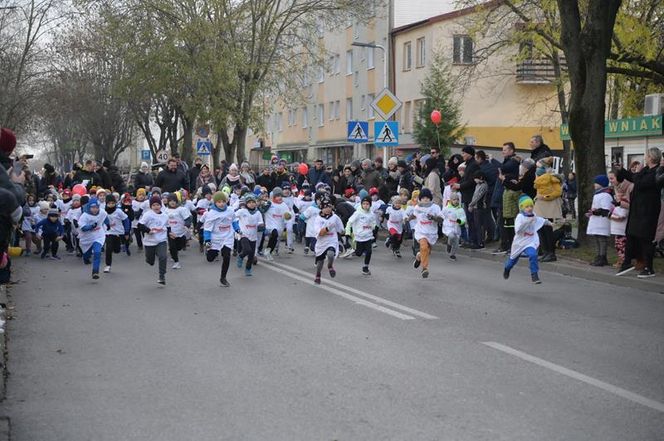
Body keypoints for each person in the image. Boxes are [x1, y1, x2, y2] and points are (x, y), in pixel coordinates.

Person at [616, 147, 664, 278]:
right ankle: (627, 262)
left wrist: (637, 172)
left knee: (646, 238)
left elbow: (642, 183)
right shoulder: (646, 170)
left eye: (646, 155)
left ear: (651, 157)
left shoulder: (657, 171)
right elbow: (633, 178)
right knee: (631, 234)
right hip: (637, 209)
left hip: (648, 209)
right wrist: (622, 170)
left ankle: (649, 267)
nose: (645, 157)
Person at [503, 195, 551, 284]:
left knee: (533, 255)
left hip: (530, 240)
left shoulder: (534, 215)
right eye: (527, 207)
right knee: (512, 261)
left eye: (531, 206)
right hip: (520, 242)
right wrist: (527, 222)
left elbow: (540, 220)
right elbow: (518, 230)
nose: (529, 208)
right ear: (522, 208)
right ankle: (507, 268)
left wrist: (549, 223)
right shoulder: (519, 217)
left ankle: (534, 275)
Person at [407, 188, 443, 278]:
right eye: (423, 198)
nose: (425, 199)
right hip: (421, 231)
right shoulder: (418, 207)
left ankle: (419, 257)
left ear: (430, 198)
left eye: (427, 197)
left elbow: (441, 219)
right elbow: (414, 215)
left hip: (431, 233)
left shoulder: (435, 207)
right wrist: (408, 219)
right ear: (420, 199)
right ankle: (424, 268)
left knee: (426, 251)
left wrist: (433, 218)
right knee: (423, 247)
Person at [533, 157, 563, 262]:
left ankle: (551, 252)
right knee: (541, 229)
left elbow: (557, 192)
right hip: (540, 206)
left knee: (547, 230)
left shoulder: (553, 178)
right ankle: (546, 251)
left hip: (549, 207)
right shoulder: (539, 179)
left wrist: (545, 197)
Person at [203, 191, 235, 287]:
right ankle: (210, 251)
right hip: (215, 238)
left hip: (227, 237)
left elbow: (234, 221)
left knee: (226, 255)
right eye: (219, 202)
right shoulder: (211, 213)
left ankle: (223, 278)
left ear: (226, 201)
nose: (221, 204)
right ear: (215, 203)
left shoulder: (230, 210)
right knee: (210, 259)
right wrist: (207, 241)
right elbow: (207, 229)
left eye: (223, 201)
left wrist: (238, 229)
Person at [137, 195, 169, 285]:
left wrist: (170, 233)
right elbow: (140, 225)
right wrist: (148, 230)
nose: (156, 207)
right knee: (150, 261)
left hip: (161, 240)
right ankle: (149, 259)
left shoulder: (165, 216)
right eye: (154, 205)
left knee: (163, 256)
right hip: (150, 241)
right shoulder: (148, 214)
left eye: (158, 205)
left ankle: (162, 276)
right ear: (151, 206)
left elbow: (168, 226)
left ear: (161, 205)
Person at [313, 194, 344, 284]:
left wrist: (343, 231)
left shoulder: (335, 217)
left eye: (329, 207)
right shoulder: (318, 219)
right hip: (321, 242)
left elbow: (341, 230)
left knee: (331, 254)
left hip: (332, 240)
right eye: (325, 207)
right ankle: (318, 275)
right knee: (320, 262)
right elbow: (320, 233)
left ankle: (330, 266)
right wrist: (327, 228)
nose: (328, 209)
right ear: (321, 208)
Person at [453, 146, 480, 246]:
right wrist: (457, 184)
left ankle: (475, 241)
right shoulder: (468, 165)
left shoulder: (473, 165)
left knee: (472, 220)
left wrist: (460, 185)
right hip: (466, 195)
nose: (462, 155)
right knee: (469, 219)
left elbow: (472, 181)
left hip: (471, 195)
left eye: (464, 153)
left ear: (469, 154)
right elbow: (465, 179)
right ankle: (470, 240)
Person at [78, 197, 109, 280]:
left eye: (96, 207)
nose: (95, 209)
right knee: (86, 254)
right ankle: (85, 258)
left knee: (97, 252)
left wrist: (108, 224)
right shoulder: (84, 216)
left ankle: (95, 271)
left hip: (98, 235)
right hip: (87, 238)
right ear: (89, 207)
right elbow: (83, 228)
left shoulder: (102, 212)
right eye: (92, 207)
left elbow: (105, 217)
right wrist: (91, 226)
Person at [233, 193, 264, 276]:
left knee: (251, 255)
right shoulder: (242, 211)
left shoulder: (258, 213)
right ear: (246, 204)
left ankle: (248, 269)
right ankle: (240, 256)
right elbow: (233, 216)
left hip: (253, 236)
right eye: (249, 202)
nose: (251, 204)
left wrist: (261, 225)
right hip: (243, 234)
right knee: (247, 250)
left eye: (253, 202)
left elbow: (260, 222)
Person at [346, 194, 376, 275]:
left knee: (369, 252)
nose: (365, 205)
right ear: (361, 204)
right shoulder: (358, 213)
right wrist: (348, 231)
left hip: (368, 236)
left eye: (367, 204)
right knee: (359, 253)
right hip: (359, 236)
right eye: (364, 204)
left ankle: (365, 267)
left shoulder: (371, 214)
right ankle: (354, 249)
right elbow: (350, 222)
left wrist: (372, 227)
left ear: (370, 205)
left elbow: (373, 222)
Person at [586, 175, 613, 267]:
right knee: (597, 239)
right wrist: (592, 212)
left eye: (596, 183)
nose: (595, 185)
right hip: (596, 221)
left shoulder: (606, 195)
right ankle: (599, 256)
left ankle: (602, 257)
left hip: (602, 221)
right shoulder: (598, 194)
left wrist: (595, 212)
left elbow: (606, 209)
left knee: (602, 240)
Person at [262, 187, 293, 261]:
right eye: (277, 196)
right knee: (274, 234)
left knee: (275, 240)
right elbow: (262, 210)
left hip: (279, 226)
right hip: (270, 225)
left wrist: (288, 216)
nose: (279, 198)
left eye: (280, 196)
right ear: (274, 197)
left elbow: (288, 214)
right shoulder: (269, 204)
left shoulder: (284, 205)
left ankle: (268, 251)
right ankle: (266, 250)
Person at [103, 194, 130, 273]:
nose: (111, 205)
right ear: (106, 203)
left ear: (115, 203)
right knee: (108, 248)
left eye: (112, 203)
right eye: (109, 203)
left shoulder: (118, 211)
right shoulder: (103, 212)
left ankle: (120, 246)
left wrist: (127, 231)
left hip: (118, 233)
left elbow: (126, 220)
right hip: (108, 232)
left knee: (117, 250)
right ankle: (108, 265)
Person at [165, 193, 192, 270]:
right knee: (172, 247)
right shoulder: (165, 210)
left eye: (174, 200)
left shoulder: (181, 209)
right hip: (171, 232)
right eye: (170, 201)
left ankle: (177, 251)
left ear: (177, 201)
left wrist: (186, 225)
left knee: (179, 247)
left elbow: (187, 219)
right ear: (168, 202)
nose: (172, 202)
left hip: (181, 233)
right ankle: (176, 262)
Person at [442, 192, 466, 261]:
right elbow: (442, 215)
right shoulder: (447, 208)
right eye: (454, 199)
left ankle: (452, 255)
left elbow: (463, 218)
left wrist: (460, 221)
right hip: (448, 226)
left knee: (456, 243)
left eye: (457, 200)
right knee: (451, 236)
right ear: (451, 200)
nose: (456, 201)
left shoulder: (460, 210)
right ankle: (449, 244)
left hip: (456, 227)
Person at [468, 171, 489, 249]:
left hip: (480, 207)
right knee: (476, 225)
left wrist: (471, 204)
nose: (474, 180)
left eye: (476, 178)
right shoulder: (478, 185)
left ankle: (481, 242)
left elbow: (478, 197)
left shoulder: (484, 185)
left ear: (480, 177)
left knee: (480, 225)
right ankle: (477, 241)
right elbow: (474, 196)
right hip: (475, 207)